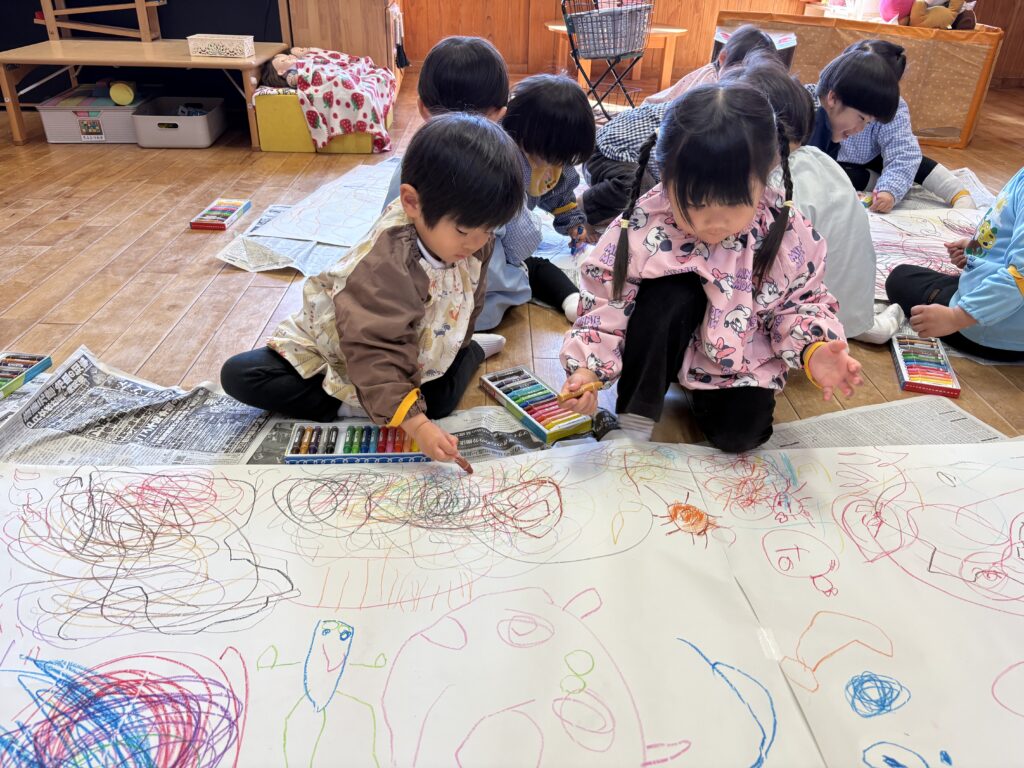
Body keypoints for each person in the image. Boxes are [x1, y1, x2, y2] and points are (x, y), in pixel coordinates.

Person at [559, 82, 863, 452]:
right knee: (670, 293)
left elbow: (800, 303)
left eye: (735, 203)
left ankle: (703, 392)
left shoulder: (784, 231)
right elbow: (606, 299)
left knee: (742, 436)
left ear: (765, 178)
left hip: (735, 356)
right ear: (665, 177)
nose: (714, 223)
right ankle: (638, 410)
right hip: (659, 345)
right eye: (696, 203)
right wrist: (587, 367)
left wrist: (813, 347)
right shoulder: (644, 222)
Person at [220, 114, 524, 464]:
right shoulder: (384, 266)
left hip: (416, 348)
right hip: (340, 351)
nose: (477, 243)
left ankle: (464, 354)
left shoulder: (472, 237)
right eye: (465, 231)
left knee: (437, 402)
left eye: (489, 230)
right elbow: (374, 349)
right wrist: (417, 425)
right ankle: (361, 405)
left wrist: (462, 342)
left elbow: (472, 297)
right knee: (241, 375)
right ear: (412, 203)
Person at [382, 45, 584, 328]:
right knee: (531, 267)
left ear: (422, 107)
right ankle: (571, 299)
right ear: (499, 114)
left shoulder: (411, 161)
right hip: (480, 306)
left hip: (408, 301)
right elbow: (521, 244)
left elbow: (386, 226)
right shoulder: (499, 163)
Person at [725, 51, 891, 341]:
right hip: (845, 313)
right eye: (862, 119)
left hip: (806, 323)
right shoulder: (815, 157)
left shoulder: (777, 184)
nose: (860, 129)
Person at [581, 25, 781, 229]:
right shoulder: (712, 95)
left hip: (628, 152)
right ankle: (583, 208)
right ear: (723, 60)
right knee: (644, 193)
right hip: (607, 153)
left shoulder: (727, 102)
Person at [886, 166, 1024, 362]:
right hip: (1007, 315)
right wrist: (978, 251)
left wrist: (955, 317)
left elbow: (1020, 277)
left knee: (901, 278)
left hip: (995, 331)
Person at [832, 40, 975, 213]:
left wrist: (889, 190)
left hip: (876, 157)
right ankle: (882, 182)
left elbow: (904, 152)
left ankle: (957, 192)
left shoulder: (894, 107)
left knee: (915, 161)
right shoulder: (828, 97)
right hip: (839, 163)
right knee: (834, 175)